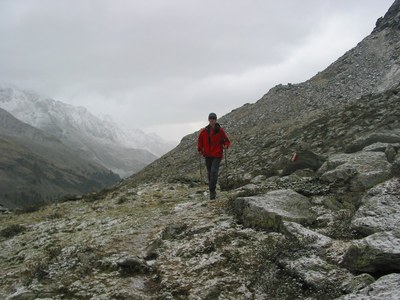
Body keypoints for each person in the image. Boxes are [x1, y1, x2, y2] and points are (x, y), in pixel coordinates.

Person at [197, 112, 231, 200]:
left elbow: (226, 140)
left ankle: (212, 191)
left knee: (213, 172)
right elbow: (200, 141)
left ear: (216, 120)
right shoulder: (204, 131)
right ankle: (212, 190)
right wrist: (200, 149)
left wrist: (225, 145)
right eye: (210, 118)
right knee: (210, 174)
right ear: (208, 120)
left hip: (217, 154)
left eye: (213, 119)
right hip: (208, 155)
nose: (212, 120)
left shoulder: (220, 130)